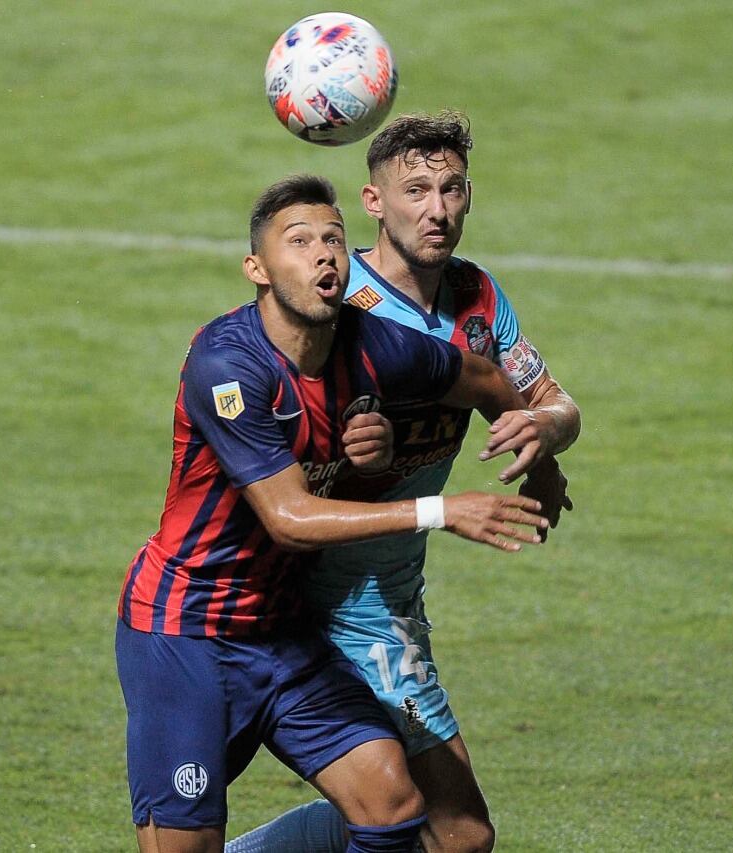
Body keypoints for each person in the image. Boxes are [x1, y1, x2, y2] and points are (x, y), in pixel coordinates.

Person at [115, 173, 553, 853]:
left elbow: (482, 376)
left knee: (391, 800)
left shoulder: (372, 342)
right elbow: (288, 516)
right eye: (299, 241)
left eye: (333, 239)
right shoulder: (226, 364)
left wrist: (542, 455)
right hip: (186, 633)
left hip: (283, 635)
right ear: (256, 268)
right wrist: (440, 508)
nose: (323, 253)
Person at [226, 114, 581, 853]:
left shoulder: (477, 299)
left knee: (430, 821)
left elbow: (543, 398)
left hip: (388, 592)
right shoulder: (332, 295)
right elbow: (268, 417)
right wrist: (355, 443)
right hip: (315, 588)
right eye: (415, 190)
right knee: (455, 830)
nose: (437, 209)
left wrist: (545, 440)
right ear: (374, 202)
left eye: (451, 189)